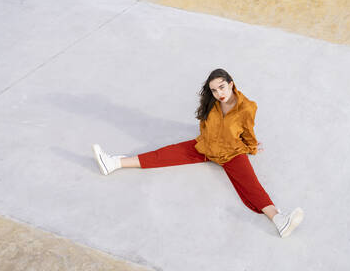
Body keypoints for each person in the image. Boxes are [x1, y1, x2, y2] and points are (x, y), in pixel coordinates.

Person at [92, 68, 303, 238]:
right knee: (164, 154)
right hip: (205, 147)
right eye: (214, 90)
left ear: (231, 84)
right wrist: (206, 143)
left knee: (251, 185)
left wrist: (252, 147)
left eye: (222, 87)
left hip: (231, 154)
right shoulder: (211, 103)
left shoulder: (246, 107)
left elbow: (248, 131)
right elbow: (204, 125)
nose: (219, 93)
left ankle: (280, 221)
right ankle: (114, 163)